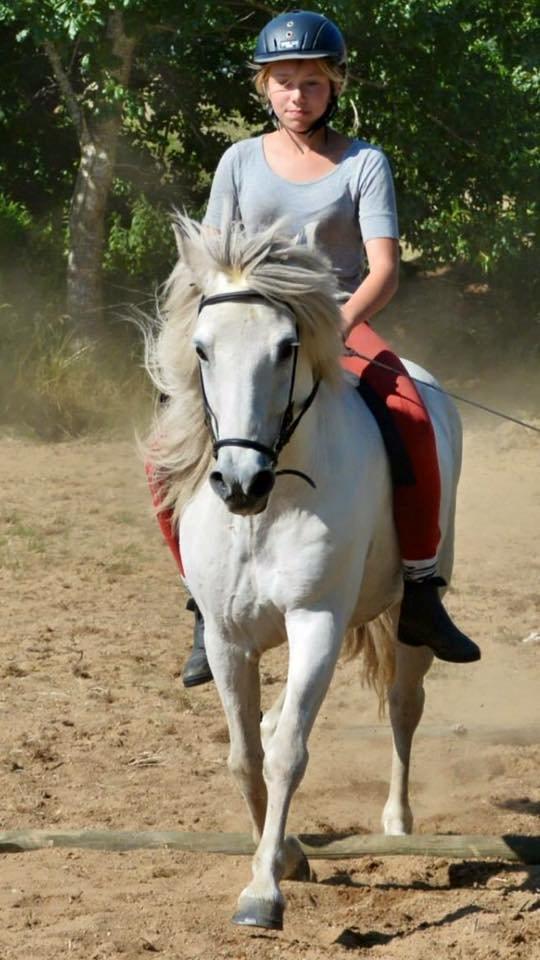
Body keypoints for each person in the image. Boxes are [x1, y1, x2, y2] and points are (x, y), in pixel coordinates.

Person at [154, 9, 480, 687]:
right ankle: (201, 602)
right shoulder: (239, 160)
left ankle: (419, 586)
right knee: (164, 452)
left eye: (311, 82)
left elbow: (383, 268)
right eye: (283, 82)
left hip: (338, 316)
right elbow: (210, 256)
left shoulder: (363, 164)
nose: (296, 96)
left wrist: (331, 325)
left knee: (415, 417)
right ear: (264, 88)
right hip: (249, 324)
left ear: (334, 85)